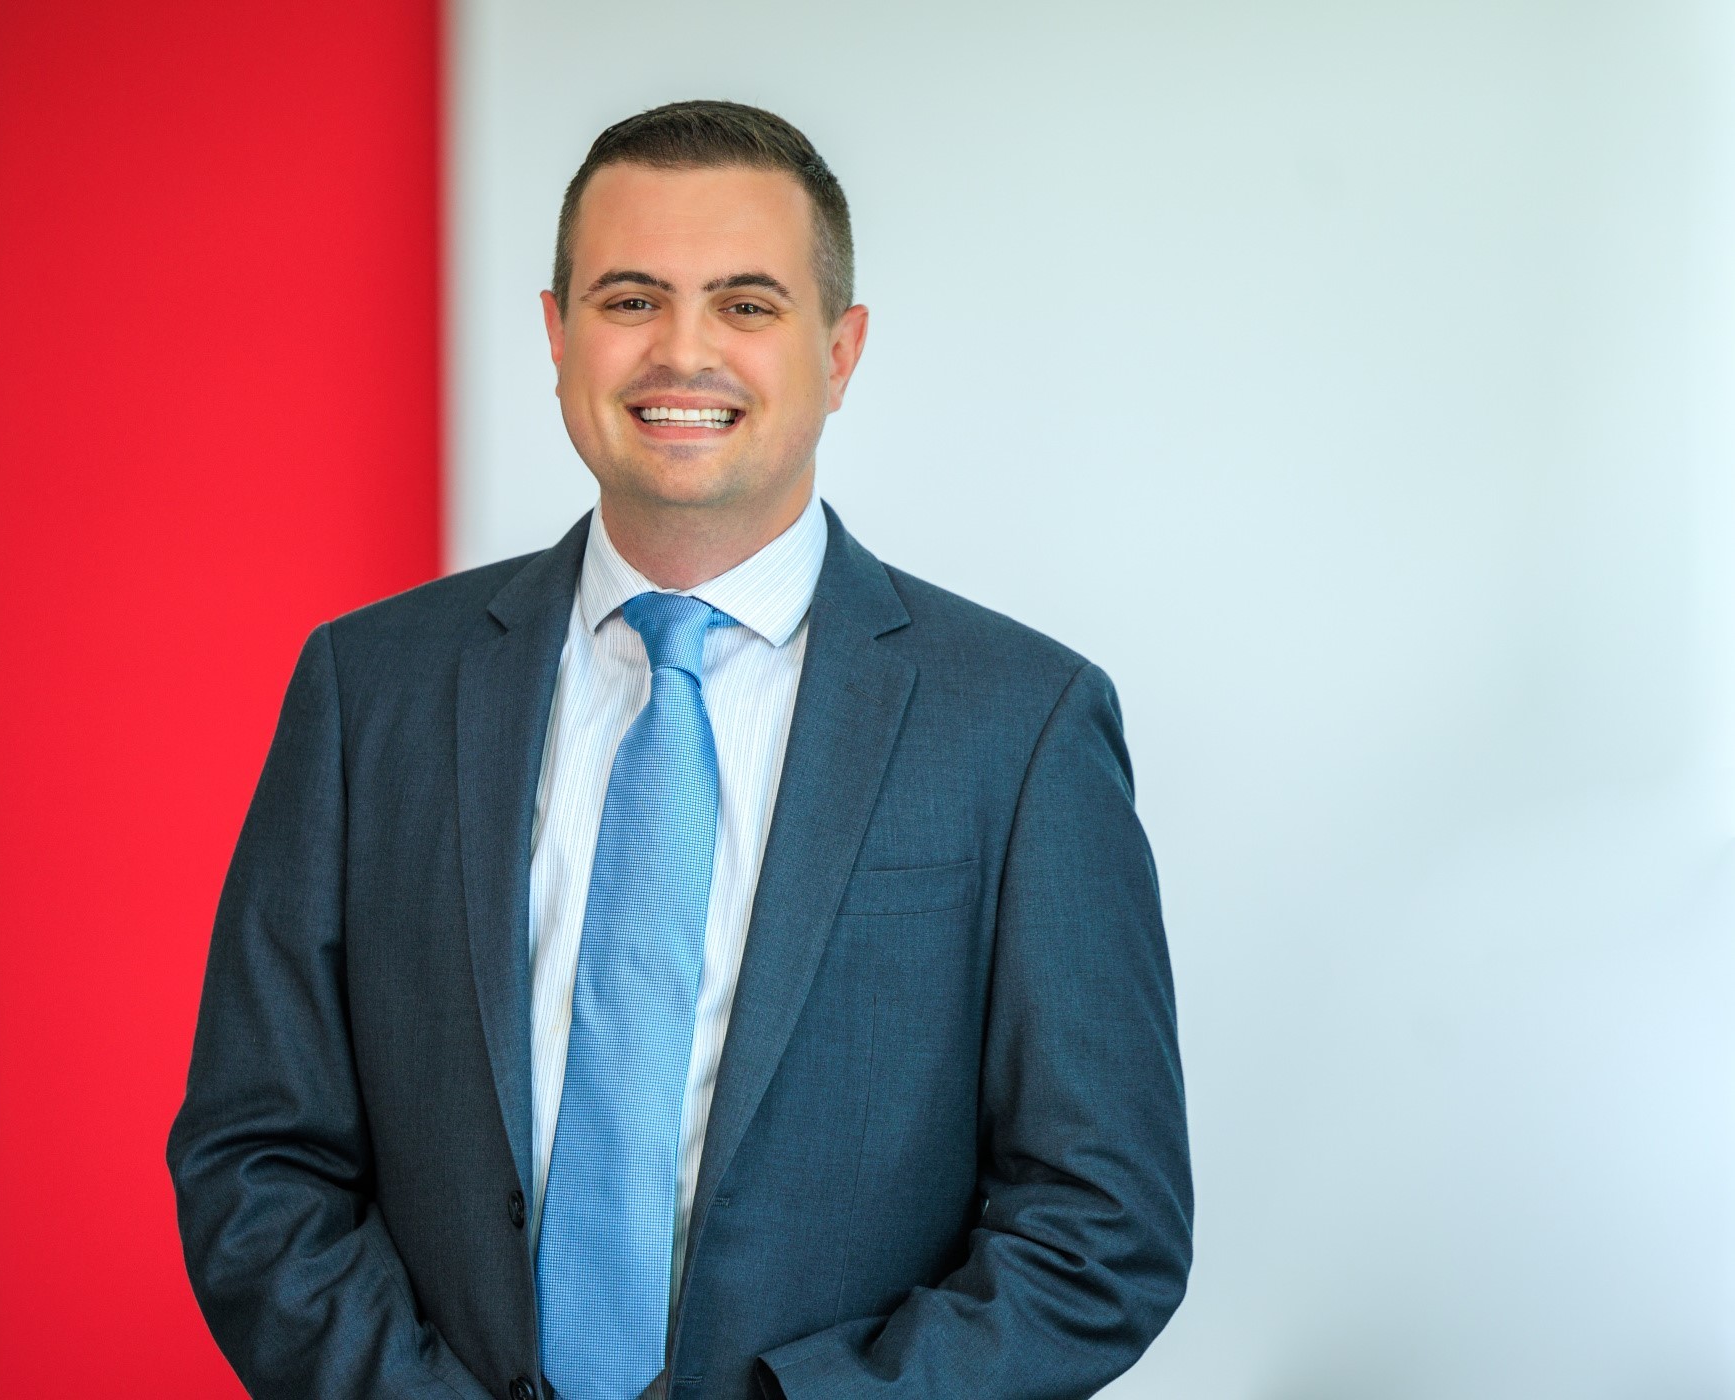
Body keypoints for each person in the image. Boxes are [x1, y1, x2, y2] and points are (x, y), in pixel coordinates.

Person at [168, 100, 1191, 1400]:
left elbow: (1104, 1230)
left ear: (840, 349)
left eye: (746, 304)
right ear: (557, 334)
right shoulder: (369, 690)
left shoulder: (1022, 725)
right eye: (631, 299)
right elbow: (257, 1155)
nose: (683, 351)